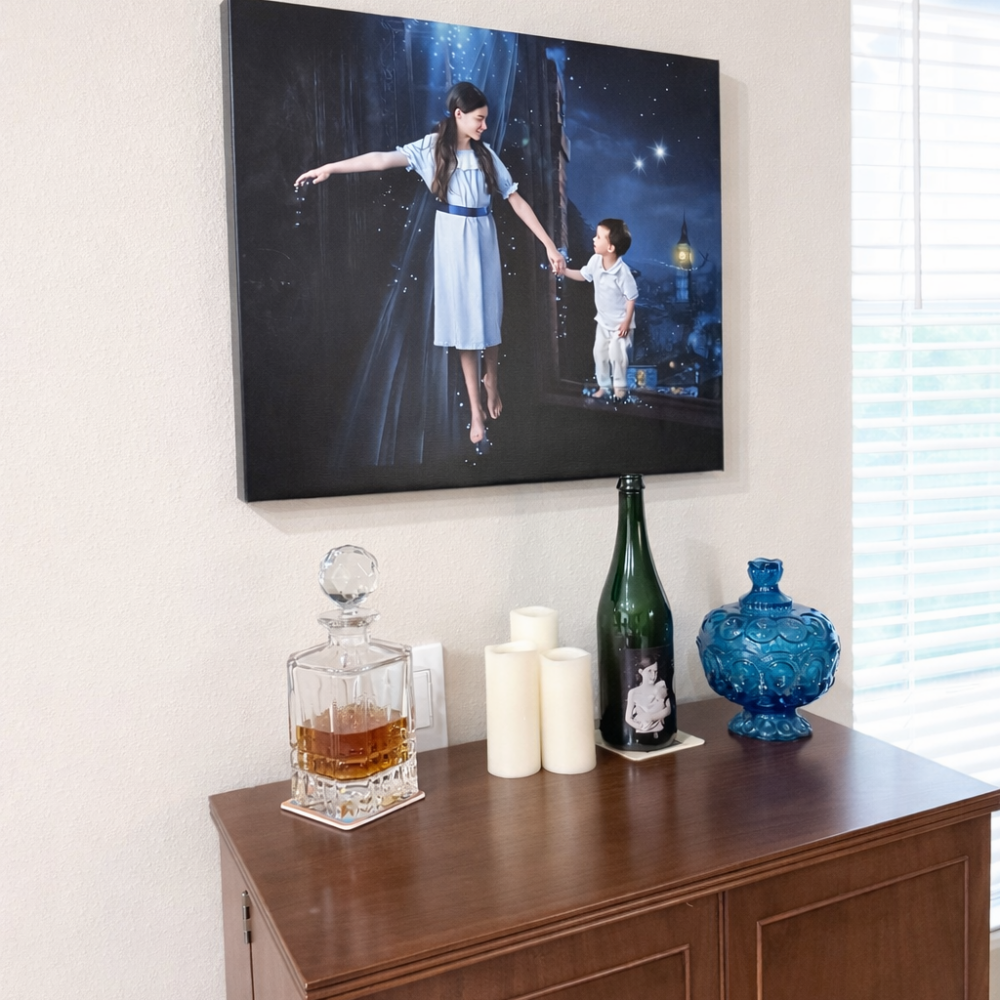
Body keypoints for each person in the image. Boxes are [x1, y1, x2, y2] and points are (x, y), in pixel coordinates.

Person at [295, 81, 565, 445]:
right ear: (459, 115)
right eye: (479, 119)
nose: (485, 126)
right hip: (452, 235)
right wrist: (330, 167)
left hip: (483, 233)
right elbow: (379, 160)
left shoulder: (486, 156)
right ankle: (475, 409)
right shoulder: (431, 149)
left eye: (486, 119)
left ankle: (492, 379)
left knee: (489, 310)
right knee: (465, 322)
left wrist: (549, 244)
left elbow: (515, 200)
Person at [563, 219, 638, 400]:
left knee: (617, 355)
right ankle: (604, 386)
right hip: (603, 322)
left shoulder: (623, 272)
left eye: (598, 237)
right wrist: (564, 271)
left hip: (620, 324)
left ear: (611, 247)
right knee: (600, 353)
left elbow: (631, 298)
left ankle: (620, 388)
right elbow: (583, 275)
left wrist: (627, 322)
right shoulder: (595, 261)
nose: (593, 239)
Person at [625, 658, 672, 734]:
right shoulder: (633, 692)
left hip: (660, 730)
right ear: (641, 671)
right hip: (641, 732)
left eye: (655, 671)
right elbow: (628, 718)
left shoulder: (661, 686)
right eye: (649, 671)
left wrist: (651, 717)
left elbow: (668, 709)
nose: (653, 675)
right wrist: (641, 727)